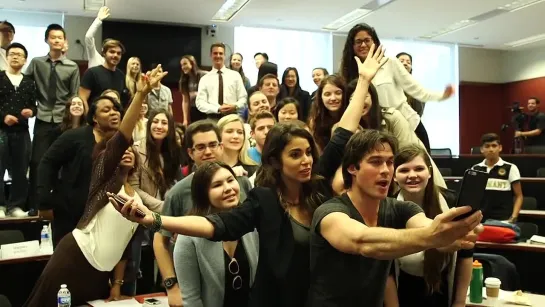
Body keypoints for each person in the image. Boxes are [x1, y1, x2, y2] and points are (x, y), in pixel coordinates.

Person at [117, 44, 383, 307]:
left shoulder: (317, 185)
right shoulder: (264, 199)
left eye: (308, 153)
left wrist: (363, 81)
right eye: (295, 155)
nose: (307, 161)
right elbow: (215, 226)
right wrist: (155, 219)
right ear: (275, 161)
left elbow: (343, 133)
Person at [24, 64, 168, 307]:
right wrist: (141, 94)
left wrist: (117, 283)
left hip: (101, 271)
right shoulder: (105, 181)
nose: (125, 151)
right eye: (118, 148)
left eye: (128, 148)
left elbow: (124, 242)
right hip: (75, 258)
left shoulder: (136, 196)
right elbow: (122, 134)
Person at [307, 129, 482, 307]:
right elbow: (363, 241)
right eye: (375, 162)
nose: (385, 170)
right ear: (352, 168)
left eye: (390, 162)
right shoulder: (330, 212)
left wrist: (457, 234)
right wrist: (434, 235)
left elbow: (427, 227)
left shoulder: (401, 208)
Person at [153, 120, 253, 307]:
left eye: (213, 145)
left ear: (221, 146)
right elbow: (160, 239)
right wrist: (172, 285)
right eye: (200, 147)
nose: (208, 152)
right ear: (190, 153)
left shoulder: (242, 184)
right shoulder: (178, 192)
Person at [383, 144, 473, 307]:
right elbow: (386, 272)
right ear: (394, 176)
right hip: (403, 291)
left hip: (444, 290)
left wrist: (459, 302)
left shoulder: (452, 202)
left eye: (419, 169)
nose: (412, 175)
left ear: (430, 172)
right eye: (404, 170)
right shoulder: (387, 209)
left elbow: (465, 256)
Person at [339, 23, 453, 147]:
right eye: (358, 41)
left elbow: (416, 90)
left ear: (375, 42)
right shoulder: (350, 73)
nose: (363, 45)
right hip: (378, 131)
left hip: (409, 124)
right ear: (352, 46)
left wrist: (441, 96)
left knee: (423, 164)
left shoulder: (390, 63)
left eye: (367, 40)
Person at [37, 91, 124, 246]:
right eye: (106, 110)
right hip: (70, 215)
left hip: (104, 217)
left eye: (116, 109)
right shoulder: (73, 137)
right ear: (94, 118)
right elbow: (47, 163)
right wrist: (44, 202)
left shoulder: (119, 142)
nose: (113, 113)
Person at [173, 161, 259, 307]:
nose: (228, 188)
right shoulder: (189, 237)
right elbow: (191, 299)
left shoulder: (251, 224)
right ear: (203, 194)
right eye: (217, 185)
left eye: (231, 180)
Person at [26, 23, 80, 212]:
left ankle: (59, 205)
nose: (56, 40)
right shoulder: (36, 63)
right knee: (37, 162)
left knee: (62, 164)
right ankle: (35, 205)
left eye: (60, 37)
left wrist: (74, 124)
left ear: (64, 41)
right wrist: (30, 107)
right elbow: (25, 86)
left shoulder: (72, 67)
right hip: (42, 117)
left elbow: (75, 96)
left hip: (62, 121)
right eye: (53, 37)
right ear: (46, 40)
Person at [0, 43, 36, 218]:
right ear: (6, 57)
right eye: (12, 54)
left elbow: (34, 106)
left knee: (21, 170)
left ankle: (15, 206)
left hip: (22, 132)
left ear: (25, 59)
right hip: (1, 131)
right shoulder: (0, 77)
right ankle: (0, 206)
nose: (15, 57)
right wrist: (3, 117)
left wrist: (31, 111)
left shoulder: (29, 82)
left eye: (19, 55)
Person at [130, 108, 182, 212]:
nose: (159, 126)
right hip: (145, 212)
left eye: (164, 123)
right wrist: (163, 207)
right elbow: (133, 188)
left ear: (170, 128)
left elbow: (177, 183)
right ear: (149, 125)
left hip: (170, 209)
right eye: (155, 121)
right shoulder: (137, 150)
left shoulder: (173, 151)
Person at [472, 133, 523, 222]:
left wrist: (513, 218)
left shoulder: (510, 168)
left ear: (500, 148)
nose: (491, 149)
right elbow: (472, 195)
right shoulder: (475, 169)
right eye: (487, 146)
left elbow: (519, 196)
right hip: (480, 221)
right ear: (482, 149)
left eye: (494, 146)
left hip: (504, 220)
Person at [196, 43, 247, 120]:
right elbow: (200, 103)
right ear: (211, 55)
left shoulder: (235, 75)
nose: (218, 56)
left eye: (221, 53)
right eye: (215, 53)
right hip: (212, 118)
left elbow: (243, 98)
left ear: (224, 55)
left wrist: (235, 106)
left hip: (232, 117)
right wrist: (218, 109)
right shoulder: (205, 79)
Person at [79, 39, 127, 112]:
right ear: (104, 53)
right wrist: (87, 119)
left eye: (118, 53)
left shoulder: (121, 75)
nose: (115, 55)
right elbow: (83, 99)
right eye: (112, 52)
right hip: (95, 119)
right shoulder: (92, 72)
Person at [396, 52, 430, 152]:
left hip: (412, 127)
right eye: (401, 61)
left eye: (408, 62)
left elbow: (418, 112)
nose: (405, 63)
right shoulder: (388, 85)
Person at [308, 75, 347, 152]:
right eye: (327, 94)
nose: (333, 98)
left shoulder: (353, 117)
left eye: (338, 93)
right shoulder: (315, 120)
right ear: (321, 97)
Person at [180, 55, 207, 125]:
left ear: (192, 63)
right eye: (182, 65)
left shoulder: (203, 75)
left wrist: (196, 94)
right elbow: (185, 101)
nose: (183, 67)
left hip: (206, 109)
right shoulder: (184, 80)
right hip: (194, 109)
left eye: (185, 64)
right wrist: (185, 119)